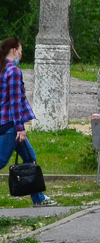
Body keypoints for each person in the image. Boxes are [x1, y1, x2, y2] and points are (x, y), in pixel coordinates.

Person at [0, 37, 57, 206]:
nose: (21, 54)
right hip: (11, 125)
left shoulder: (2, 69)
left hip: (4, 122)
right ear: (14, 51)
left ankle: (38, 199)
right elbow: (15, 103)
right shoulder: (14, 71)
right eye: (21, 50)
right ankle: (38, 199)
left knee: (30, 156)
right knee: (1, 161)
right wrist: (20, 128)